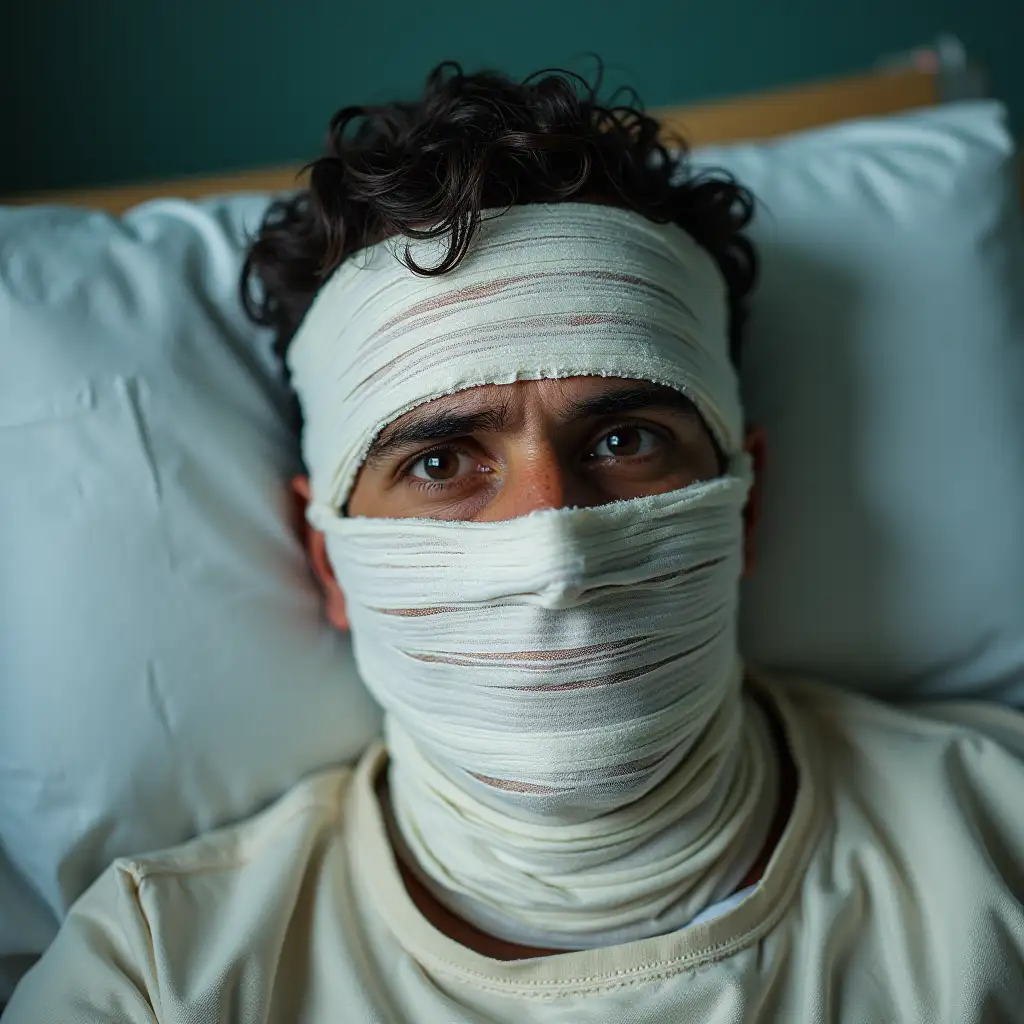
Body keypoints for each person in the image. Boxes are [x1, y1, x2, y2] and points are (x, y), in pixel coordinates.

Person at [6, 61, 1024, 1024]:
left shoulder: (997, 840)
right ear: (332, 563)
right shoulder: (157, 977)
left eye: (624, 440)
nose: (555, 547)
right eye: (443, 464)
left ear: (743, 505)